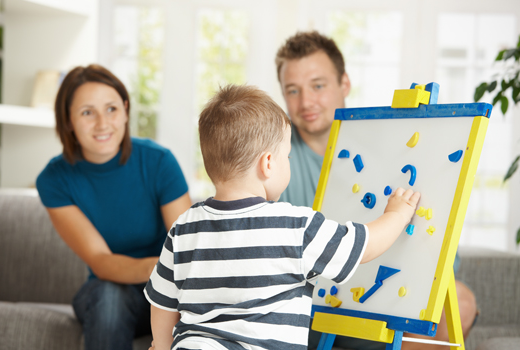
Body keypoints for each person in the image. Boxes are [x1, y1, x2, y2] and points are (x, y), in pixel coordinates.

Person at [144, 84, 420, 350]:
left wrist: (162, 344)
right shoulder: (294, 225)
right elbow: (362, 247)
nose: (288, 161)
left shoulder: (184, 227)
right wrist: (397, 214)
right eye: (286, 156)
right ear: (267, 164)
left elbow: (163, 301)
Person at [275, 31, 477, 349]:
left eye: (318, 85)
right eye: (293, 90)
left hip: (388, 291)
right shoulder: (272, 158)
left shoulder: (393, 142)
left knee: (460, 303)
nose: (306, 102)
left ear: (344, 84)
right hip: (311, 303)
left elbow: (440, 253)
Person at [36, 64, 192, 350]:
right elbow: (101, 261)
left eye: (111, 109)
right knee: (110, 296)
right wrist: (163, 268)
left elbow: (187, 249)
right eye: (87, 112)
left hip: (169, 292)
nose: (102, 123)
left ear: (126, 109)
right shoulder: (54, 180)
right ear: (68, 121)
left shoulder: (159, 162)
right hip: (107, 294)